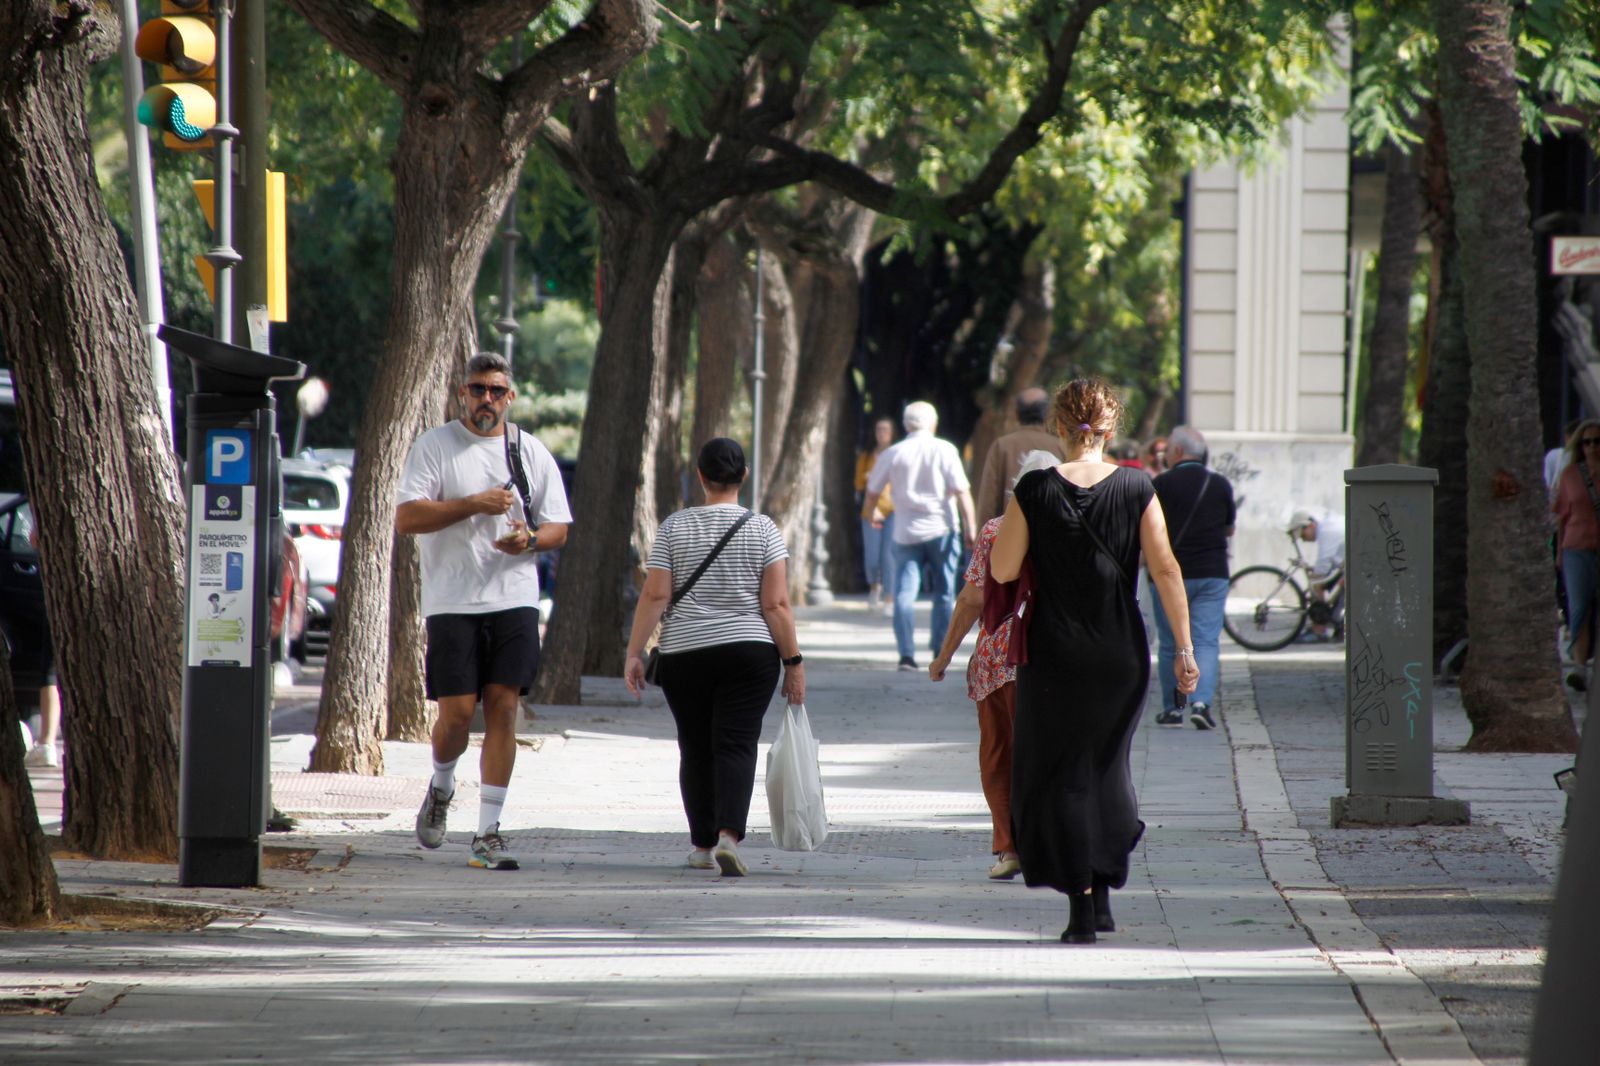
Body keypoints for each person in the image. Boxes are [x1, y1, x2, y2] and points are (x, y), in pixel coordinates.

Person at [990, 378, 1198, 945]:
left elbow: (1004, 570)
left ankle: (1081, 906)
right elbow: (1166, 571)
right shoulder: (1137, 487)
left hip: (1053, 651)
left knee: (1060, 774)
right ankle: (1105, 884)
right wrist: (1184, 647)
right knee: (1106, 766)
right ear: (1111, 429)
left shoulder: (1033, 489)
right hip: (1118, 653)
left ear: (1059, 427)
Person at [398, 352, 571, 871]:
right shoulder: (435, 447)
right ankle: (442, 784)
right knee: (455, 715)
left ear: (510, 397)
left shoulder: (528, 451)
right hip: (452, 601)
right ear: (462, 394)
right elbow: (407, 517)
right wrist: (475, 503)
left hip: (514, 598)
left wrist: (530, 540)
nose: (487, 400)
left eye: (497, 391)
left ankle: (488, 833)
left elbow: (559, 527)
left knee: (503, 706)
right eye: (478, 390)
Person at [624, 438, 805, 876]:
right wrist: (793, 663)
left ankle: (702, 845)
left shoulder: (673, 527)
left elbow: (656, 593)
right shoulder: (763, 529)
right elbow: (776, 605)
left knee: (695, 745)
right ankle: (729, 836)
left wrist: (634, 652)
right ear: (743, 476)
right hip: (749, 653)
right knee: (736, 743)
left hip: (685, 653)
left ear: (700, 477)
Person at [929, 449, 1060, 881]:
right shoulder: (1072, 529)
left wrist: (945, 655)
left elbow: (970, 598)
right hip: (1055, 658)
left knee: (998, 755)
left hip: (998, 663)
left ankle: (1009, 849)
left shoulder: (996, 531)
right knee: (1050, 755)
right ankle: (1049, 843)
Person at [864, 401, 977, 671]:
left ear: (905, 425)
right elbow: (962, 491)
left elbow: (872, 491)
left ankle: (906, 654)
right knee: (944, 592)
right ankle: (940, 649)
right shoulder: (945, 450)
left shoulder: (893, 453)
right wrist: (971, 528)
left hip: (905, 533)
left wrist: (872, 515)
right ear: (933, 424)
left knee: (904, 593)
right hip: (943, 530)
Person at [1150, 426, 1235, 730]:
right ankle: (1201, 703)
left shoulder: (1161, 484)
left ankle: (1174, 709)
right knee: (1206, 641)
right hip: (1212, 573)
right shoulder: (1220, 484)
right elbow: (1229, 529)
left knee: (1172, 641)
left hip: (1168, 575)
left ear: (1176, 452)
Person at [1553, 419, 1600, 681]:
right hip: (1576, 547)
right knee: (1580, 606)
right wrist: (1559, 552)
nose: (1592, 447)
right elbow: (1561, 516)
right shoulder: (1570, 476)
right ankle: (1580, 667)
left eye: (1597, 441)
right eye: (1587, 442)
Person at [973, 389, 1062, 527]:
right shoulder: (1060, 446)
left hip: (1008, 535)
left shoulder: (1001, 446)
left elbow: (988, 501)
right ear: (1048, 414)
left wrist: (983, 538)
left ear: (1016, 414)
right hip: (1052, 535)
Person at [23, 519, 58, 769]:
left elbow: (35, 539)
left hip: (59, 593)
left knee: (50, 670)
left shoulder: (48, 505)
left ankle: (46, 741)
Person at [855, 417, 897, 610]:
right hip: (871, 511)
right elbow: (858, 484)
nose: (882, 433)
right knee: (872, 556)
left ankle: (889, 597)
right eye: (879, 429)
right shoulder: (866, 457)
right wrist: (867, 478)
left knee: (889, 555)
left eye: (886, 430)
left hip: (892, 510)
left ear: (892, 433)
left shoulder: (898, 454)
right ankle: (874, 585)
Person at [1287, 507, 1346, 640]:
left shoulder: (1326, 531)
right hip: (1348, 565)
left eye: (1303, 535)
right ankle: (1330, 626)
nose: (1303, 539)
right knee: (1328, 586)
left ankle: (1319, 630)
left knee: (1317, 585)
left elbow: (1323, 564)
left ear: (1311, 525)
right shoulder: (1328, 526)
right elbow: (1329, 562)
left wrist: (1315, 579)